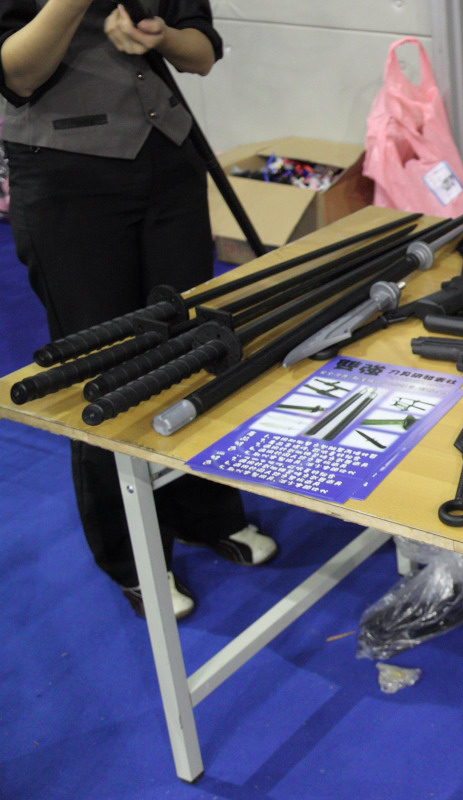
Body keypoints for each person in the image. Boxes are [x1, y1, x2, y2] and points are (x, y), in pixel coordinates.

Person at [0, 0, 276, 619]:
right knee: (102, 364)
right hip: (66, 177)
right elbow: (16, 74)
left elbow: (201, 51)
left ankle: (207, 513)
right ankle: (130, 556)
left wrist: (162, 35)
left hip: (170, 162)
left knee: (195, 346)